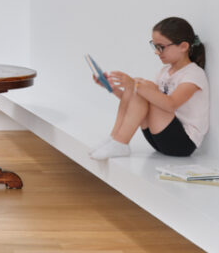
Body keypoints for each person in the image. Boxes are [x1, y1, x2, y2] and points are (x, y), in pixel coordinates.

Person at [89, 16, 208, 160]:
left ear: (183, 46)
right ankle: (115, 138)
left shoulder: (194, 74)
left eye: (161, 47)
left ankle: (120, 143)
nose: (157, 52)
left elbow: (171, 104)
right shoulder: (164, 72)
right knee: (142, 87)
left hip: (182, 143)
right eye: (155, 46)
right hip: (158, 137)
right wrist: (113, 88)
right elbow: (138, 103)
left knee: (143, 85)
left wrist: (135, 85)